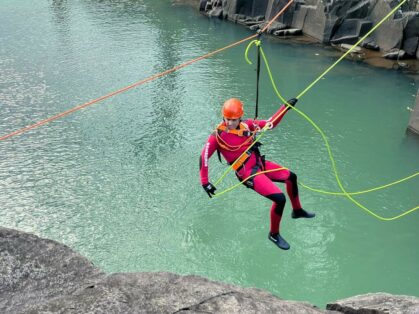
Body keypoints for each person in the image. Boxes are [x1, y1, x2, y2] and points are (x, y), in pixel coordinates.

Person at [199, 98, 315, 250]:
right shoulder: (217, 136)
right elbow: (203, 157)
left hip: (259, 164)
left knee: (291, 177)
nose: (230, 123)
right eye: (227, 119)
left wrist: (285, 108)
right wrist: (205, 182)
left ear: (240, 117)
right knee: (280, 199)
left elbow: (270, 123)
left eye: (233, 120)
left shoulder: (248, 125)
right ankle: (274, 234)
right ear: (223, 117)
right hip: (248, 173)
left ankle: (297, 210)